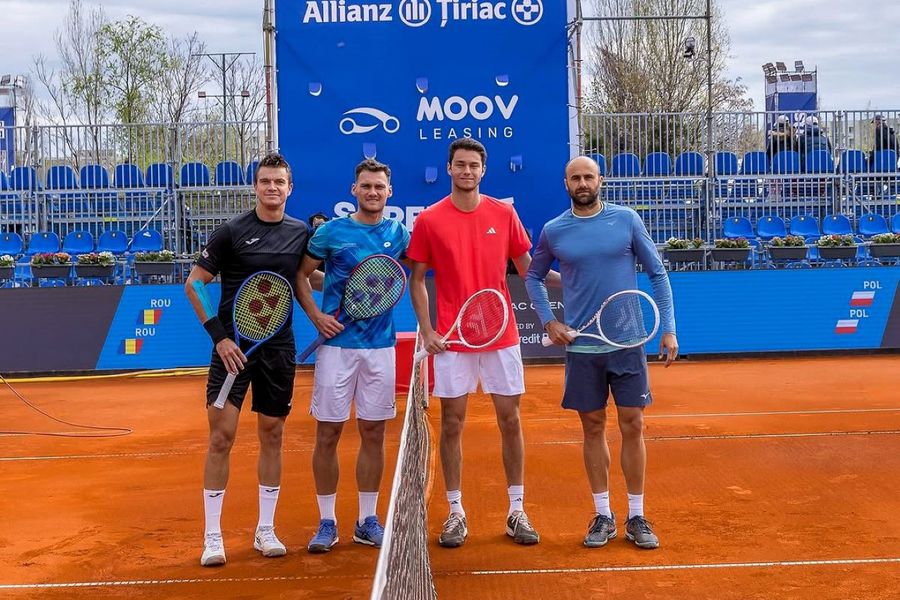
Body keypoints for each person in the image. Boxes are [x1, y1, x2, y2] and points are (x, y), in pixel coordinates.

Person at [525, 155, 678, 550]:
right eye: (575, 177)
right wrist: (549, 322)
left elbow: (657, 273)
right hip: (581, 348)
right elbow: (533, 276)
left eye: (588, 176)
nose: (582, 183)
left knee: (633, 424)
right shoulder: (554, 230)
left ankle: (638, 515)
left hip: (627, 343)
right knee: (592, 427)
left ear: (600, 180)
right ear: (566, 183)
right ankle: (603, 515)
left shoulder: (626, 219)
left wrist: (670, 330)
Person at [407, 137, 552, 548]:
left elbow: (530, 271)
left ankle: (516, 510)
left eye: (474, 165)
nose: (467, 170)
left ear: (483, 170)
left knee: (511, 420)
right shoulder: (430, 220)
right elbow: (417, 280)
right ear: (449, 168)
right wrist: (429, 329)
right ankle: (455, 512)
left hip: (500, 334)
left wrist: (576, 283)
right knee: (452, 423)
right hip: (452, 340)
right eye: (460, 164)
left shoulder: (504, 213)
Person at [184, 152, 322, 567]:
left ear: (289, 188)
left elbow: (306, 278)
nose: (273, 188)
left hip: (278, 350)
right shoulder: (231, 232)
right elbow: (194, 284)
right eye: (266, 181)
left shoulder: (300, 233)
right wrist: (220, 339)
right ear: (255, 186)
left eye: (280, 182)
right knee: (221, 437)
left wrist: (344, 275)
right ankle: (213, 537)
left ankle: (265, 530)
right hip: (232, 351)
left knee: (273, 435)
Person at [296, 159, 410, 554]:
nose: (373, 192)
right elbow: (302, 274)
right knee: (327, 433)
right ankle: (327, 522)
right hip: (337, 349)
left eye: (379, 187)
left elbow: (420, 269)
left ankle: (367, 520)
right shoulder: (329, 232)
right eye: (366, 186)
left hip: (380, 348)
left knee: (374, 433)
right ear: (354, 189)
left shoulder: (399, 233)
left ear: (389, 192)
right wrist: (316, 316)